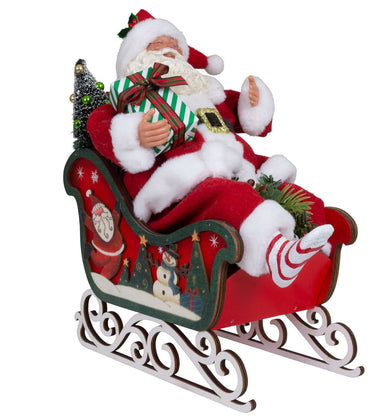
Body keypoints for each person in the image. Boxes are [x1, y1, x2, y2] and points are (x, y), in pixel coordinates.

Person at [87, 9, 334, 288]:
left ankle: (315, 259)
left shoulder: (202, 93)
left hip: (240, 171)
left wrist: (252, 103)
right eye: (158, 44)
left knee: (291, 193)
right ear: (136, 56)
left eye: (174, 45)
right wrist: (135, 135)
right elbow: (99, 127)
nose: (169, 50)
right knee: (231, 196)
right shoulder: (127, 97)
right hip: (181, 188)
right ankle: (278, 256)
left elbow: (245, 117)